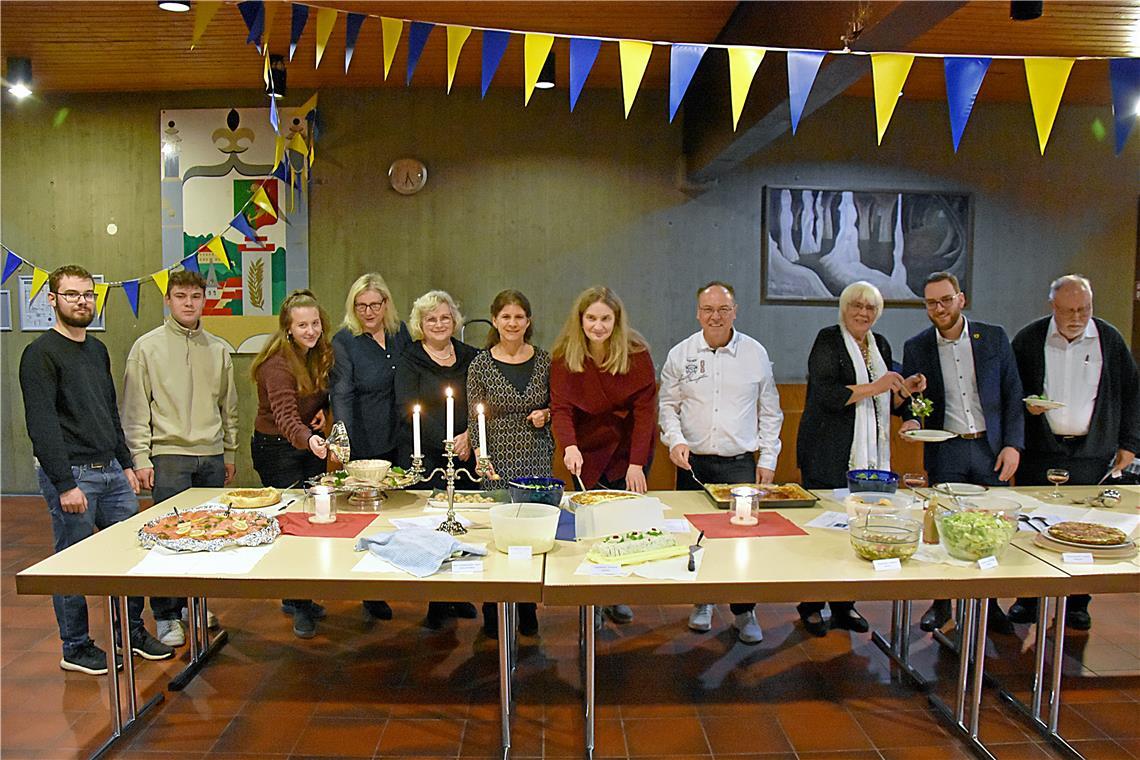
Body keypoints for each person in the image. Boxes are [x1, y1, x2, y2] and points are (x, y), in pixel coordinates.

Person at [20, 264, 174, 675]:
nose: (82, 301)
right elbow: (42, 425)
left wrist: (125, 463)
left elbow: (110, 411)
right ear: (52, 300)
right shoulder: (39, 354)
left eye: (88, 294)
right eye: (72, 294)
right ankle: (75, 646)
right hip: (74, 477)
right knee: (72, 564)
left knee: (130, 557)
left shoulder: (97, 349)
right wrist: (64, 483)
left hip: (110, 472)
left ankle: (132, 632)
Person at [1006, 275, 1139, 630]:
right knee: (1033, 526)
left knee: (1087, 528)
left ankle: (1078, 602)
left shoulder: (1108, 340)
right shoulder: (1030, 339)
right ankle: (1028, 600)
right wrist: (1025, 408)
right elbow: (1009, 390)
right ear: (1053, 307)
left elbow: (1131, 394)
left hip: (1091, 453)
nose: (1077, 317)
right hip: (1039, 450)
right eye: (1069, 310)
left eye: (1084, 309)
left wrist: (1129, 445)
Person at [796, 281, 925, 637]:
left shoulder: (879, 344)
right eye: (857, 306)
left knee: (858, 528)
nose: (863, 313)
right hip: (827, 453)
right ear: (844, 308)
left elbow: (888, 399)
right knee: (822, 534)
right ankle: (811, 605)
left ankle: (844, 604)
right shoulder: (828, 339)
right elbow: (827, 395)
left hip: (870, 458)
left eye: (870, 308)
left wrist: (905, 392)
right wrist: (879, 386)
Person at [658, 281, 783, 644]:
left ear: (735, 311)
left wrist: (769, 457)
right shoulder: (681, 354)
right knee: (698, 537)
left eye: (722, 309)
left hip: (740, 464)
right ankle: (703, 601)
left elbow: (770, 410)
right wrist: (676, 440)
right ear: (698, 312)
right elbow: (668, 406)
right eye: (708, 309)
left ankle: (745, 611)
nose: (715, 316)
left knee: (742, 540)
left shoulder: (755, 354)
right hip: (693, 463)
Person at [899, 271, 1023, 635]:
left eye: (945, 300)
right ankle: (942, 604)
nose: (939, 308)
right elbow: (914, 398)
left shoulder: (994, 337)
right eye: (931, 302)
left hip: (989, 448)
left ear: (961, 299)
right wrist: (909, 419)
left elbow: (1013, 393)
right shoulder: (917, 346)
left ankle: (990, 604)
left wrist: (1013, 445)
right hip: (946, 448)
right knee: (945, 527)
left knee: (992, 528)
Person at [121, 269, 238, 646]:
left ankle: (195, 602)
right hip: (168, 456)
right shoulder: (147, 347)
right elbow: (135, 407)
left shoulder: (218, 349)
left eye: (195, 296)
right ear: (168, 301)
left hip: (211, 455)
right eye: (181, 296)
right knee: (168, 539)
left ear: (205, 300)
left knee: (208, 536)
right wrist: (141, 456)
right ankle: (168, 614)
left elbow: (229, 407)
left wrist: (229, 451)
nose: (189, 303)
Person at [551, 286, 657, 628]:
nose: (598, 325)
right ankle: (592, 601)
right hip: (586, 448)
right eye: (592, 318)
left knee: (624, 524)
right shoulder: (564, 354)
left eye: (605, 318)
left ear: (617, 320)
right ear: (580, 320)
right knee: (590, 526)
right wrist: (568, 446)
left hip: (629, 448)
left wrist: (637, 463)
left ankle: (617, 593)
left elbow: (645, 414)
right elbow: (562, 408)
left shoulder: (637, 352)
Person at [466, 289, 553, 639]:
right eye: (506, 317)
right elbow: (474, 414)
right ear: (496, 321)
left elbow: (558, 405)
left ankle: (528, 607)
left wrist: (546, 413)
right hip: (497, 454)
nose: (512, 323)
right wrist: (478, 455)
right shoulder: (481, 364)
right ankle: (494, 607)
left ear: (528, 322)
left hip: (534, 453)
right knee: (498, 533)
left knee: (531, 531)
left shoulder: (545, 360)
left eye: (519, 317)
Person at [250, 289, 333, 639]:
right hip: (276, 448)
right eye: (303, 325)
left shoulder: (317, 355)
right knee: (294, 524)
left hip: (304, 445)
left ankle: (297, 594)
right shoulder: (277, 364)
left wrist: (321, 415)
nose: (311, 331)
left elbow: (319, 399)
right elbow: (284, 417)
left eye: (315, 323)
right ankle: (299, 604)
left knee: (313, 518)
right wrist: (310, 440)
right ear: (288, 328)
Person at [395, 290, 480, 629]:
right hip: (425, 452)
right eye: (431, 319)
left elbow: (480, 401)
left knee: (462, 522)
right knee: (433, 526)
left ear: (454, 320)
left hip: (466, 450)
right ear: (420, 324)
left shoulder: (471, 356)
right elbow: (407, 407)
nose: (439, 324)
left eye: (445, 317)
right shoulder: (410, 358)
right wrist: (446, 442)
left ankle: (459, 591)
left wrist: (469, 437)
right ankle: (437, 601)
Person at [331, 273, 412, 623]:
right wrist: (343, 439)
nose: (368, 311)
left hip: (404, 434)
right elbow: (342, 393)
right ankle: (371, 590)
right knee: (370, 516)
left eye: (375, 304)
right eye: (361, 305)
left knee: (403, 511)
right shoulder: (345, 340)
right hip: (366, 434)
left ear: (386, 304)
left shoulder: (400, 332)